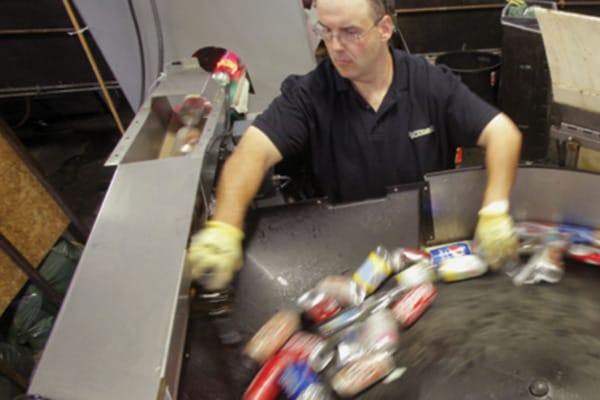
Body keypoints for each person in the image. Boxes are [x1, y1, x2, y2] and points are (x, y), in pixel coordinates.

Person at [187, 0, 522, 290]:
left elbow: (503, 134)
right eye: (326, 31)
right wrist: (224, 226)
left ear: (385, 28)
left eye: (350, 32)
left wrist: (494, 210)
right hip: (347, 258)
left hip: (427, 250)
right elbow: (252, 153)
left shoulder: (429, 83)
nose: (335, 46)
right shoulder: (309, 95)